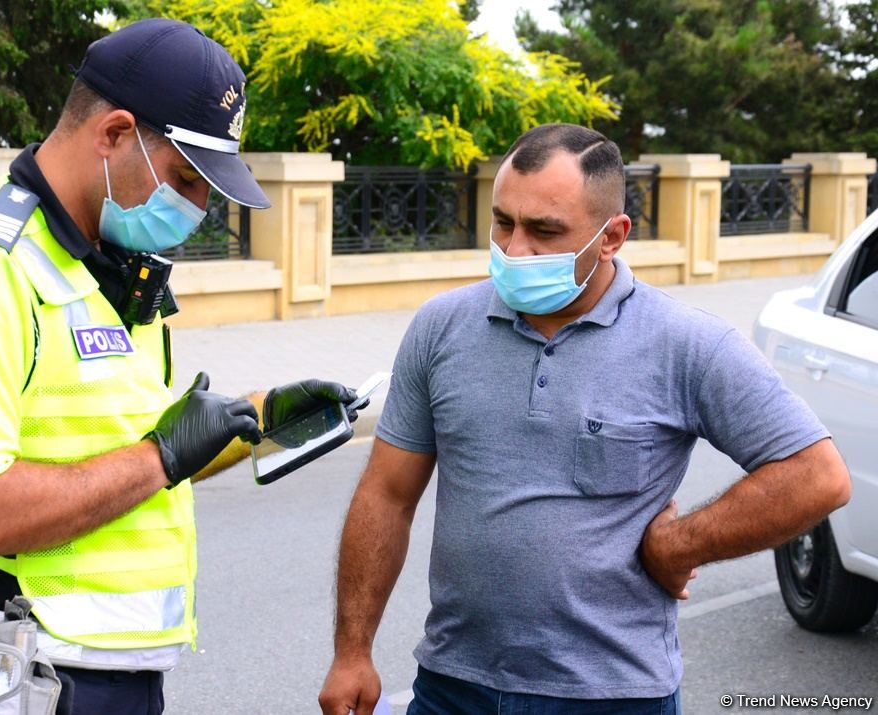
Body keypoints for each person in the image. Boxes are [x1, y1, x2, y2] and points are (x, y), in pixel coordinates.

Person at [0, 18, 359, 714]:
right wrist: (164, 456)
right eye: (187, 178)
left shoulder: (104, 264)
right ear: (113, 134)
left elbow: (127, 446)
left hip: (109, 677)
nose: (200, 207)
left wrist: (255, 419)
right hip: (21, 676)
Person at [318, 124, 851, 715]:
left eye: (545, 231)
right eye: (503, 222)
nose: (515, 250)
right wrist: (352, 651)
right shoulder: (441, 328)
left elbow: (817, 475)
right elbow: (387, 496)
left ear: (611, 237)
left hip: (612, 696)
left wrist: (679, 545)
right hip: (452, 686)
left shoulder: (686, 343)